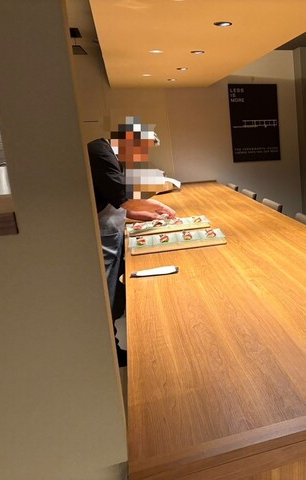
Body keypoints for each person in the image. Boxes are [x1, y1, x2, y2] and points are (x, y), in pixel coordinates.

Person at [88, 118, 175, 367]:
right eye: (141, 150)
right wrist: (157, 206)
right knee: (106, 296)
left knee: (114, 294)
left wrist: (141, 214)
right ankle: (109, 355)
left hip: (112, 232)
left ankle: (112, 348)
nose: (140, 157)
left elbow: (115, 202)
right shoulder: (99, 152)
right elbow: (121, 197)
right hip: (103, 235)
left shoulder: (108, 153)